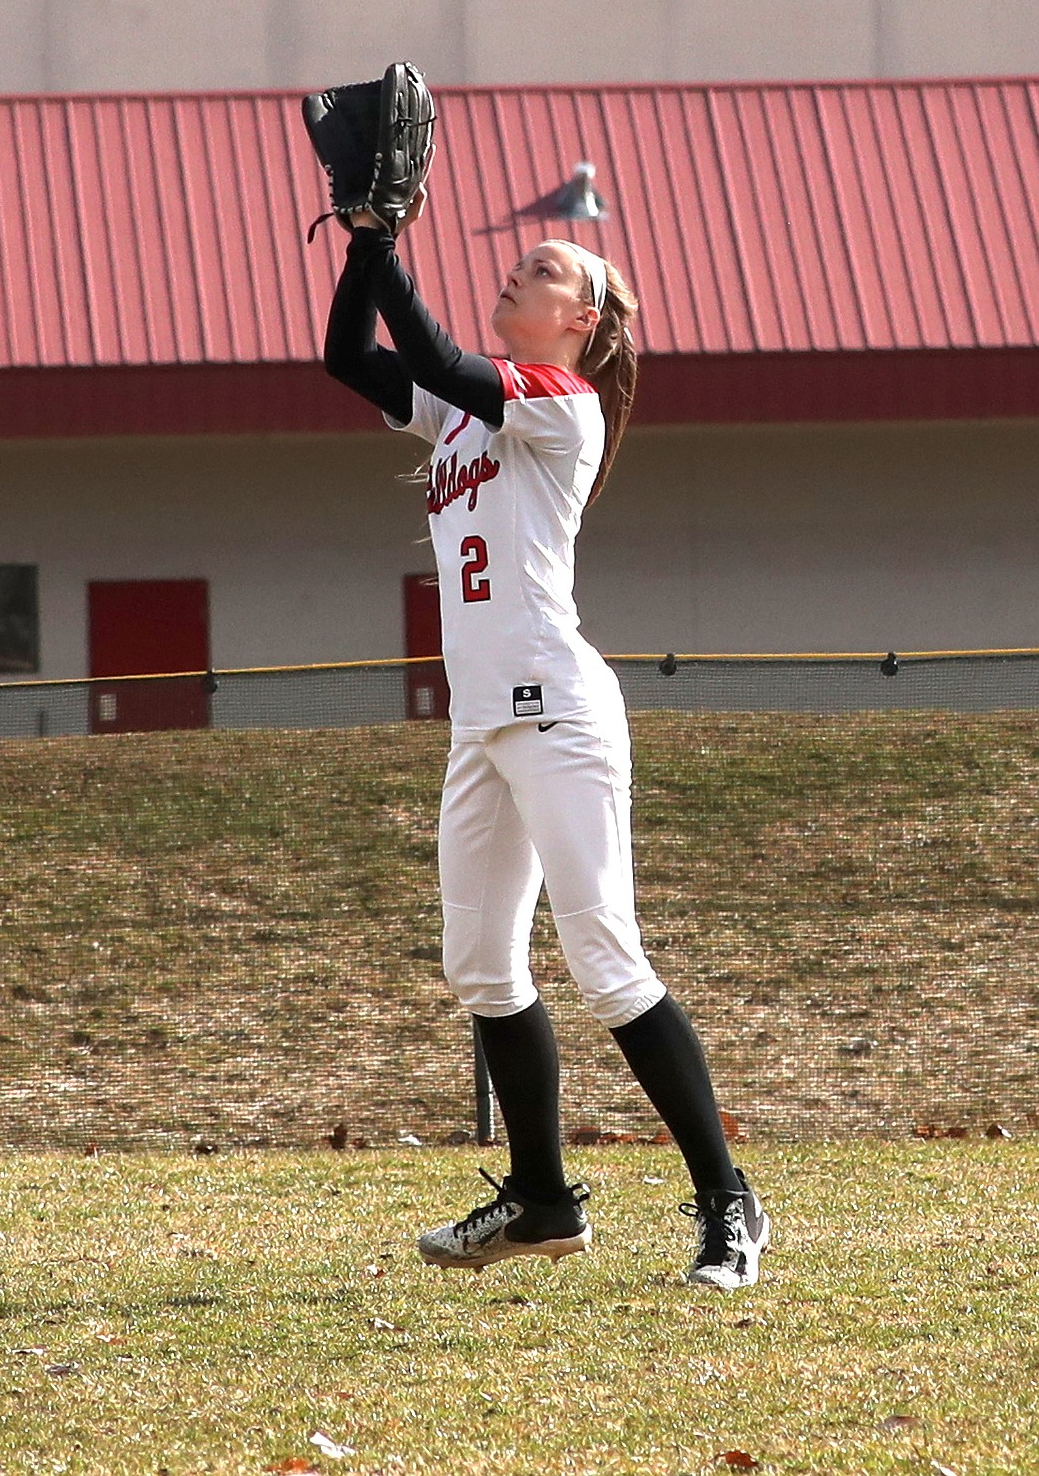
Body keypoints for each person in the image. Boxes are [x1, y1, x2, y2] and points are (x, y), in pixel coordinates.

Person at [322, 181, 769, 1291]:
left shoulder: (563, 401)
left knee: (607, 959)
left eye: (549, 269)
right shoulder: (470, 411)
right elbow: (350, 352)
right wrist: (362, 241)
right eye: (522, 262)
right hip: (483, 727)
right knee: (480, 967)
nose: (523, 271)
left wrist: (384, 238)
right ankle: (542, 1201)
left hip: (560, 714)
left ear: (583, 319)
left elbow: (423, 344)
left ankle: (729, 1204)